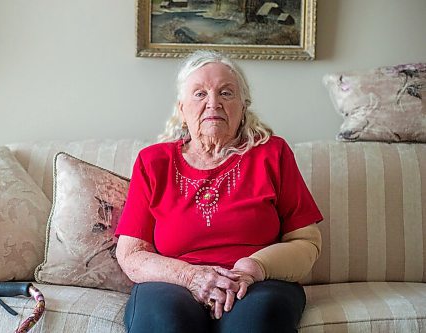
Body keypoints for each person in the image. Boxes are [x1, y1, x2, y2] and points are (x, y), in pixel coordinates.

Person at [115, 50, 323, 333]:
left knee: (255, 322)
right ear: (181, 109)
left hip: (259, 284)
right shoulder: (153, 162)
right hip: (173, 284)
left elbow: (306, 242)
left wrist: (252, 269)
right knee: (163, 323)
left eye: (226, 93)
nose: (213, 104)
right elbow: (131, 255)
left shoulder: (273, 154)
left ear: (243, 107)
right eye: (199, 94)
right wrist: (190, 276)